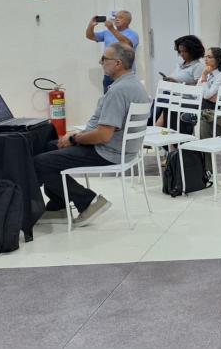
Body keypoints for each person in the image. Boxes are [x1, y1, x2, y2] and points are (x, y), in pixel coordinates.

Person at [35, 43, 149, 226]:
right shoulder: (134, 84)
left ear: (118, 63)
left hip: (108, 151)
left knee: (40, 163)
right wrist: (77, 136)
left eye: (104, 59)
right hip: (121, 148)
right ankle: (58, 206)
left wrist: (74, 138)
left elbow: (104, 136)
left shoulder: (119, 91)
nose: (101, 62)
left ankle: (88, 201)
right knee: (50, 146)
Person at [84, 11, 140, 92]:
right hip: (109, 75)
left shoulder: (133, 34)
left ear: (128, 21)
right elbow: (90, 36)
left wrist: (111, 28)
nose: (117, 19)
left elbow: (127, 43)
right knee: (108, 100)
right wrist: (91, 26)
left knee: (125, 100)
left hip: (124, 75)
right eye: (116, 17)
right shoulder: (107, 33)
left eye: (120, 18)